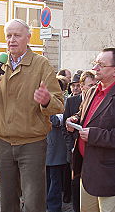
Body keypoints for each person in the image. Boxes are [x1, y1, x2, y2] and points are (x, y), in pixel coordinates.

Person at [0, 19, 64, 212]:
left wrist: (46, 100)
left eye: (17, 35)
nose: (11, 40)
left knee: (33, 202)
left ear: (28, 38)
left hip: (32, 144)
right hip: (2, 144)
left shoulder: (41, 65)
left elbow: (59, 105)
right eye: (8, 36)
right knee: (7, 201)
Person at [66, 48, 115, 212]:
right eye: (95, 63)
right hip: (86, 170)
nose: (95, 69)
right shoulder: (92, 90)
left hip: (108, 177)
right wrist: (74, 119)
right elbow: (83, 113)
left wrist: (94, 135)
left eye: (101, 65)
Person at [63, 70, 97, 212]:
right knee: (76, 184)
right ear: (82, 86)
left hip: (93, 151)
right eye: (90, 85)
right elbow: (65, 129)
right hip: (75, 151)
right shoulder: (71, 101)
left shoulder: (97, 99)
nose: (94, 88)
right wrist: (71, 147)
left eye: (95, 84)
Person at [46, 75, 68, 212]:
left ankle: (54, 207)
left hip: (56, 149)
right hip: (44, 147)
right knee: (45, 179)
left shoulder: (65, 102)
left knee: (55, 180)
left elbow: (56, 120)